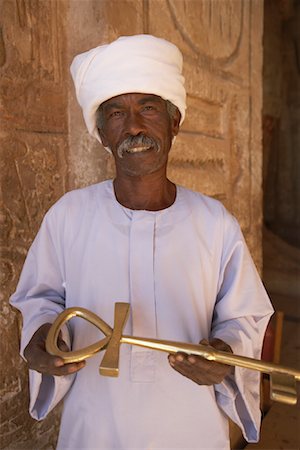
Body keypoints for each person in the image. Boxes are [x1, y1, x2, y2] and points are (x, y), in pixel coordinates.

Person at [10, 34, 274, 450]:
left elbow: (245, 317)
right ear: (101, 134)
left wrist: (225, 358)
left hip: (190, 426)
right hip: (93, 424)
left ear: (174, 122)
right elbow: (38, 299)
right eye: (116, 113)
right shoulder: (69, 215)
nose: (133, 126)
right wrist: (43, 340)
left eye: (148, 108)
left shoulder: (214, 222)